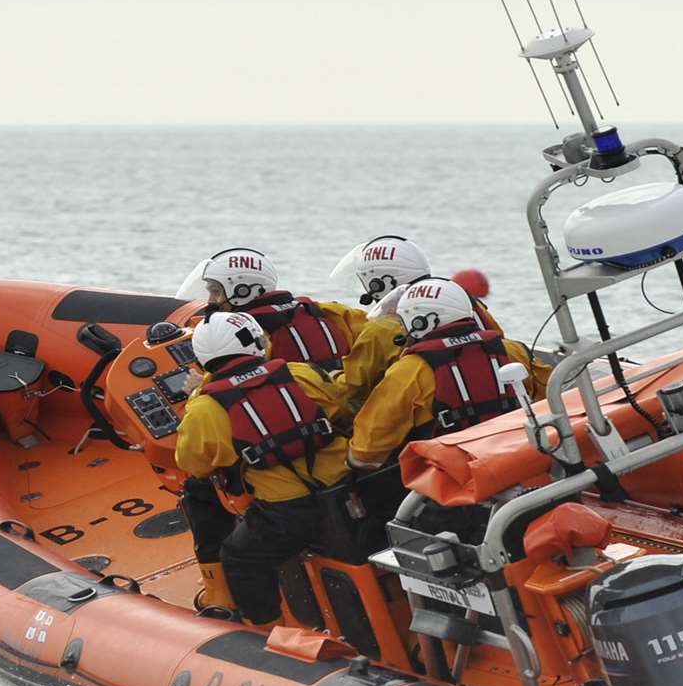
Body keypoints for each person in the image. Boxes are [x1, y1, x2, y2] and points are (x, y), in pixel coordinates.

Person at [174, 311, 352, 625]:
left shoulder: (205, 409)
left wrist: (193, 396)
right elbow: (338, 404)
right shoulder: (300, 374)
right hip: (349, 488)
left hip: (290, 514)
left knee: (239, 556)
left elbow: (193, 464)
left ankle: (265, 628)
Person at [348, 278, 547, 470]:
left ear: (420, 321)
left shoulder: (411, 370)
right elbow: (551, 397)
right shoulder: (513, 351)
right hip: (526, 461)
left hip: (456, 482)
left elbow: (366, 451)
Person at [329, 235, 506, 405]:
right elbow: (500, 339)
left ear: (380, 283)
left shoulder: (382, 329)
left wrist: (321, 377)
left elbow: (352, 388)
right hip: (495, 397)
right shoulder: (466, 302)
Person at [177, 247, 364, 370]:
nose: (211, 300)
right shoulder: (319, 310)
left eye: (216, 292)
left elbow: (231, 377)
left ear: (243, 290)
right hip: (334, 396)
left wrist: (196, 387)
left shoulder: (248, 332)